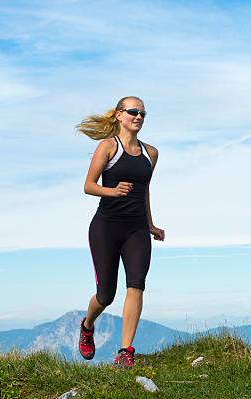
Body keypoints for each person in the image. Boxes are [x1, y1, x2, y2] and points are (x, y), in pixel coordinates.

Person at [75, 96, 165, 368]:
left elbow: (145, 191)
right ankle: (88, 324)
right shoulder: (107, 147)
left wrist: (150, 224)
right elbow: (88, 186)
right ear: (118, 115)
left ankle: (126, 352)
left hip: (136, 229)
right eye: (133, 112)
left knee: (137, 285)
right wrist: (112, 191)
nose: (138, 117)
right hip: (106, 227)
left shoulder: (151, 153)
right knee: (106, 295)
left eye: (143, 114)